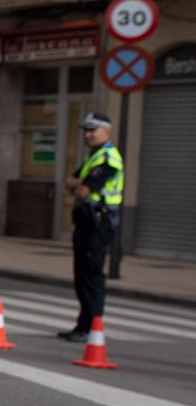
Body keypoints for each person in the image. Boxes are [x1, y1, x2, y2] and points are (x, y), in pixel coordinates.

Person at [61, 111, 124, 342]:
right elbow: (70, 182)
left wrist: (78, 184)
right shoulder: (94, 156)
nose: (87, 134)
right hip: (87, 221)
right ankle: (83, 324)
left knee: (91, 275)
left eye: (92, 130)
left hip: (100, 221)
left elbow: (82, 189)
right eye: (86, 130)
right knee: (81, 275)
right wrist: (78, 183)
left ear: (106, 131)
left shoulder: (109, 158)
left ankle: (91, 326)